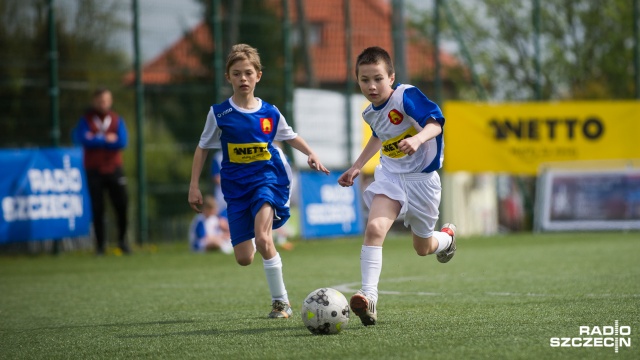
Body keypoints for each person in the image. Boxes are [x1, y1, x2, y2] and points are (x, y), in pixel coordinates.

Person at [188, 44, 329, 319]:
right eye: (237, 73)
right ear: (228, 77)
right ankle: (259, 249)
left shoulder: (270, 112)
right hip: (236, 188)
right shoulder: (219, 114)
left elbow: (289, 136)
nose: (243, 78)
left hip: (267, 179)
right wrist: (193, 185)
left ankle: (281, 302)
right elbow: (202, 147)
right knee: (244, 258)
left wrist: (310, 153)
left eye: (248, 73)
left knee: (264, 239)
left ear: (258, 76)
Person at [337, 46, 457, 326]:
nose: (372, 86)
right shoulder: (369, 113)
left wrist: (418, 140)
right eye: (365, 80)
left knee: (423, 247)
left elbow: (436, 123)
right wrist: (356, 166)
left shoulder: (406, 96)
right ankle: (369, 297)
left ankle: (448, 239)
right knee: (375, 228)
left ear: (391, 77)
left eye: (378, 78)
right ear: (358, 81)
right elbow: (378, 136)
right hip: (390, 176)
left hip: (422, 181)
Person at [72, 88, 130, 256]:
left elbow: (122, 141)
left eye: (105, 100)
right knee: (98, 208)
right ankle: (100, 245)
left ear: (110, 101)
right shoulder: (86, 120)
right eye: (99, 100)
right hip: (94, 170)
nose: (103, 104)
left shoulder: (116, 120)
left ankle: (122, 241)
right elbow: (83, 140)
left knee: (122, 204)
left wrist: (96, 138)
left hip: (114, 168)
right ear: (94, 101)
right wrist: (105, 138)